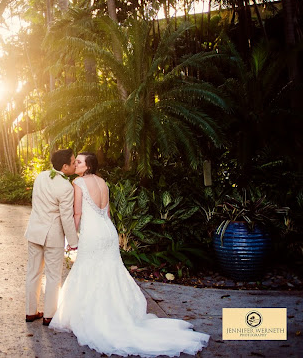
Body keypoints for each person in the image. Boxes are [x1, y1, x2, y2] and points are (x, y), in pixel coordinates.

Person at [50, 152, 209, 356]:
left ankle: (95, 317)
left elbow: (78, 213)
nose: (76, 165)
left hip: (93, 234)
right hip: (108, 231)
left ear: (88, 166)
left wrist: (70, 238)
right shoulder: (103, 182)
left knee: (90, 270)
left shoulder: (78, 183)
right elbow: (106, 212)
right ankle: (118, 314)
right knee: (110, 271)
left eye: (79, 162)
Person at [24, 149, 79, 326]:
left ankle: (30, 312)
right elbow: (66, 217)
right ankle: (49, 315)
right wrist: (73, 241)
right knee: (54, 276)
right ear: (64, 166)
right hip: (52, 236)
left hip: (34, 231)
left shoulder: (41, 177)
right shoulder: (66, 187)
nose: (74, 164)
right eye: (72, 162)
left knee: (33, 273)